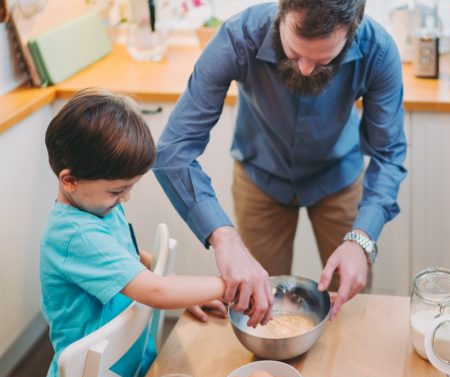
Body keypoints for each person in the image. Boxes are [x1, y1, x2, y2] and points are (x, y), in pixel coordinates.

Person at [153, 0, 407, 326]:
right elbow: (173, 149)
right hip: (260, 175)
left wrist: (363, 239)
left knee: (351, 305)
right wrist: (224, 238)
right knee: (256, 302)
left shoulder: (379, 50)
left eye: (324, 59)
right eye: (293, 51)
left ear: (353, 29)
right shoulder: (238, 37)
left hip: (338, 176)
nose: (304, 69)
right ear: (282, 12)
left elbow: (388, 154)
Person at [40, 88, 226, 377]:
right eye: (117, 191)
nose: (126, 197)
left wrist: (187, 290)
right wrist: (227, 285)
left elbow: (125, 257)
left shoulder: (97, 207)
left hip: (125, 362)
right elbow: (154, 290)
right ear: (69, 180)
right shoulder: (75, 236)